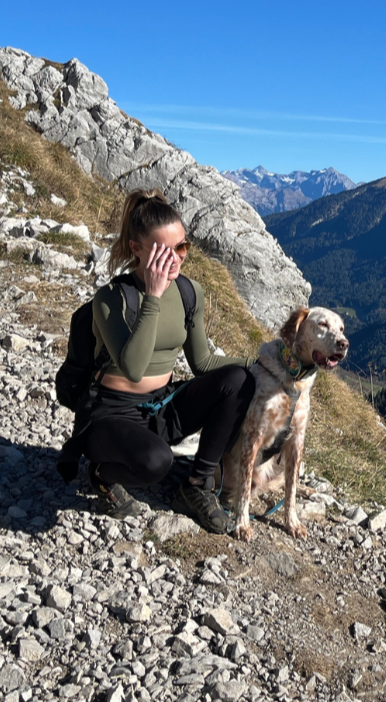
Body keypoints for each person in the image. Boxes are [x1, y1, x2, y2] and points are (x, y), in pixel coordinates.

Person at [79, 189, 255, 532]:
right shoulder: (111, 299)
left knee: (240, 382)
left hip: (160, 406)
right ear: (136, 249)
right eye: (165, 251)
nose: (176, 259)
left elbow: (202, 362)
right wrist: (154, 297)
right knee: (156, 462)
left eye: (182, 248)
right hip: (110, 413)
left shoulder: (190, 292)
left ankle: (196, 486)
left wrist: (259, 363)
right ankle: (101, 473)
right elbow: (133, 367)